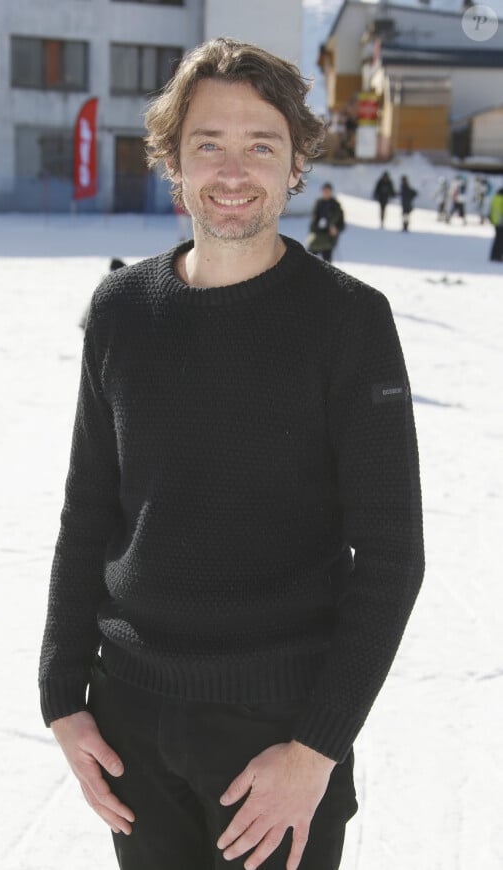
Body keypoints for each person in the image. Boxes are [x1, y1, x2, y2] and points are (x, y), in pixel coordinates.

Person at [39, 37, 424, 870]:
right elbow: (88, 513)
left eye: (262, 145)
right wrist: (61, 698)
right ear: (172, 161)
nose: (233, 169)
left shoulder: (349, 322)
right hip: (130, 724)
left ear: (296, 166)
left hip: (275, 739)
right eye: (208, 144)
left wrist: (316, 751)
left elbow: (392, 556)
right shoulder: (121, 310)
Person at [306, 182, 345, 262]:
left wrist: (336, 229)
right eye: (324, 191)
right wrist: (316, 228)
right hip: (317, 238)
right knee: (310, 261)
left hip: (328, 240)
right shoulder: (318, 204)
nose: (326, 193)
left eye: (328, 191)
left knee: (327, 263)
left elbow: (341, 224)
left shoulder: (336, 206)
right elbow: (313, 223)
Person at [489, 186, 503, 261]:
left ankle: (494, 255)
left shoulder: (496, 197)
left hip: (496, 221)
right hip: (501, 222)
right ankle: (497, 256)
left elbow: (491, 208)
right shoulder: (502, 198)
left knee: (497, 239)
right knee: (500, 240)